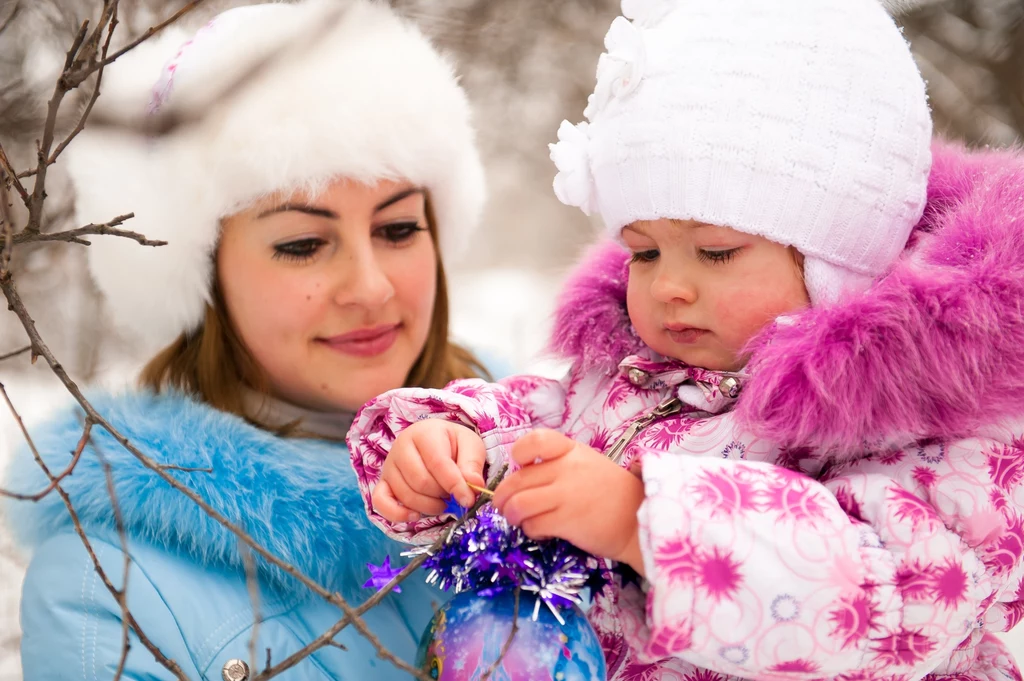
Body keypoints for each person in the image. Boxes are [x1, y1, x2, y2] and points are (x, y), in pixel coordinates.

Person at [347, 0, 1024, 679]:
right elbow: (535, 417)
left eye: (716, 251)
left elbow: (884, 595)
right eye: (644, 253)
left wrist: (644, 518)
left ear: (840, 262)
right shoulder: (634, 376)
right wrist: (456, 444)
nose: (670, 285)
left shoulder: (932, 417)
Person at [3, 0, 490, 678]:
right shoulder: (105, 589)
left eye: (399, 228)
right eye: (303, 243)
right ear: (200, 274)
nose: (372, 286)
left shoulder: (547, 452)